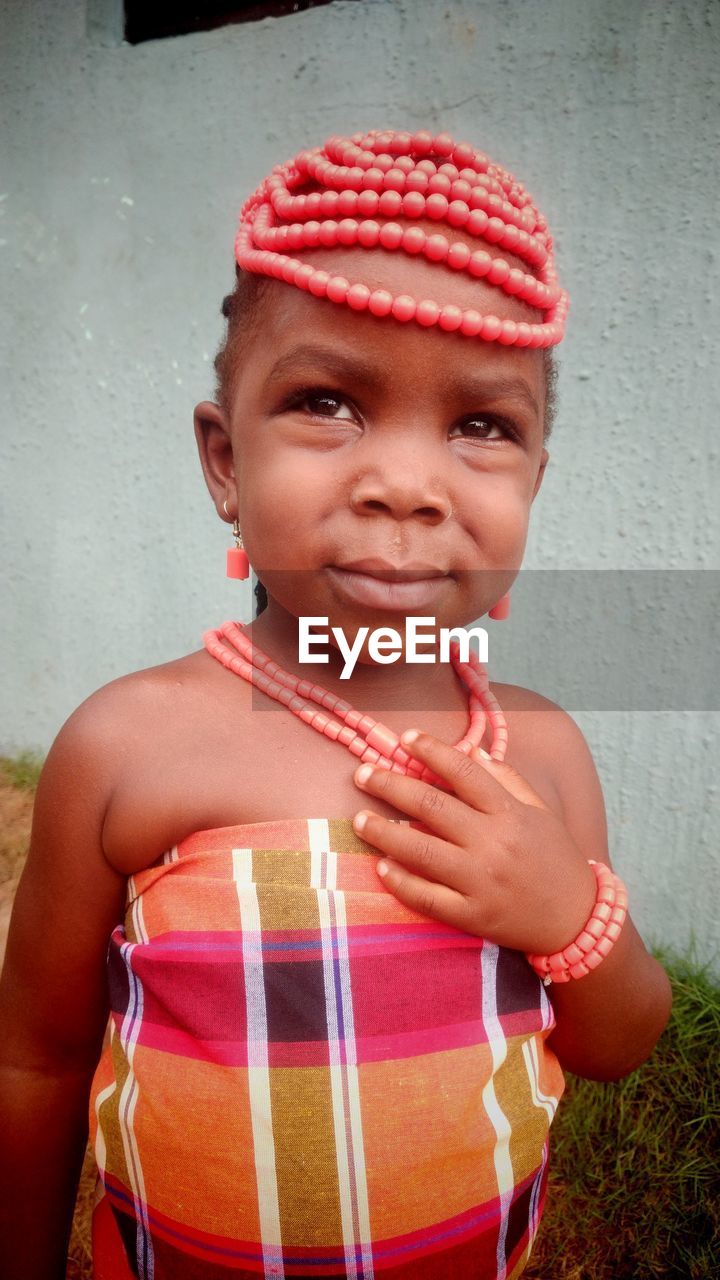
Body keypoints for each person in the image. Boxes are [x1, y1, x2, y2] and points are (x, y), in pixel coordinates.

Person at [0, 128, 671, 1280]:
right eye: (327, 401)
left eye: (481, 425)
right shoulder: (126, 748)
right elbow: (36, 1058)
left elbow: (617, 1042)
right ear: (224, 459)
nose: (405, 485)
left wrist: (567, 914)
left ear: (536, 477)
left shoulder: (538, 751)